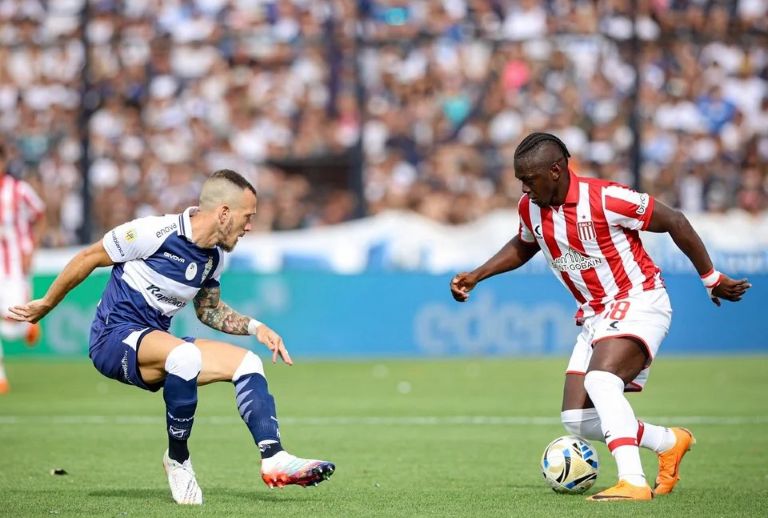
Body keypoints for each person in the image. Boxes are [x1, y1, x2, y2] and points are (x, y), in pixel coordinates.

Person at [450, 133, 751, 501]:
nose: (524, 187)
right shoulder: (530, 208)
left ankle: (633, 482)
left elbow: (674, 220)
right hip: (596, 315)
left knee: (602, 381)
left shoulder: (607, 198)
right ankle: (669, 441)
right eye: (520, 180)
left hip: (639, 300)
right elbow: (525, 244)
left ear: (556, 171)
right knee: (577, 420)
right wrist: (477, 275)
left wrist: (711, 277)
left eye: (529, 179)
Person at [9, 169, 335, 504]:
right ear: (224, 213)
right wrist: (46, 303)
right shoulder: (154, 231)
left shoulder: (215, 257)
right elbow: (89, 257)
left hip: (154, 343)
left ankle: (274, 457)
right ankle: (178, 460)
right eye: (247, 217)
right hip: (112, 338)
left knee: (247, 363)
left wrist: (256, 328)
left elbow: (207, 310)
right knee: (184, 355)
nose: (249, 226)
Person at [0, 143, 46, 394]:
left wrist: (32, 248)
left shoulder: (18, 190)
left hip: (14, 265)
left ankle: (27, 327)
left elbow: (41, 214)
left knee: (12, 326)